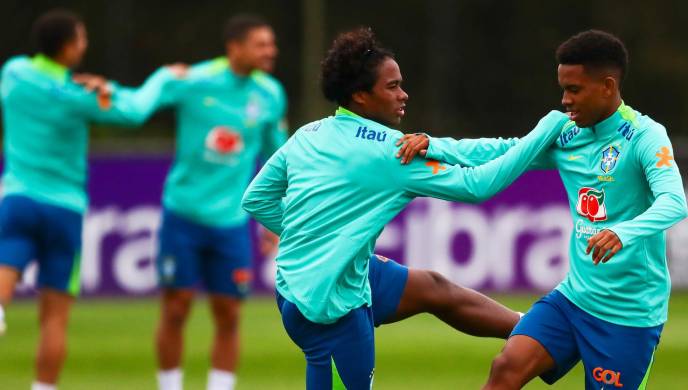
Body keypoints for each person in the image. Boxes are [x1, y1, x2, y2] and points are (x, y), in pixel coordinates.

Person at [242, 27, 568, 389]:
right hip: (325, 305)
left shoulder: (310, 133)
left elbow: (256, 198)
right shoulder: (391, 152)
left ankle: (540, 336)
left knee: (432, 288)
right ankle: (547, 338)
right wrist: (549, 126)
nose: (404, 94)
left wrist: (315, 240)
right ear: (360, 96)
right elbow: (478, 185)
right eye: (392, 86)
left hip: (296, 286)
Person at [397, 30, 688, 390]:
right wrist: (437, 145)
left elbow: (674, 202)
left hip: (629, 315)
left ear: (608, 86)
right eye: (563, 89)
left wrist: (621, 231)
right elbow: (505, 150)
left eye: (575, 90)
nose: (565, 100)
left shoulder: (645, 136)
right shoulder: (568, 134)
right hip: (574, 299)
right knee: (506, 367)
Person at [0, 9, 172, 390]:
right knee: (55, 317)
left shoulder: (12, 72)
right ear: (67, 47)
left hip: (17, 197)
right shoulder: (81, 94)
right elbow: (136, 111)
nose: (85, 45)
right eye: (81, 39)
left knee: (5, 268)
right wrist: (150, 81)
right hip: (64, 208)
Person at [151, 14, 287, 390]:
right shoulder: (194, 81)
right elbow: (140, 103)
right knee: (176, 308)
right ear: (235, 48)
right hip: (183, 214)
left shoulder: (271, 94)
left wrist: (272, 220)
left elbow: (278, 160)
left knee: (228, 314)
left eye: (271, 44)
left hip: (230, 222)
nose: (270, 51)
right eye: (261, 44)